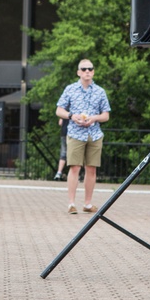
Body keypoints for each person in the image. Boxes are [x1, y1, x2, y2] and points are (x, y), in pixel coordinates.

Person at [56, 59, 110, 215]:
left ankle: (87, 203)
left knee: (91, 169)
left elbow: (106, 115)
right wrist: (72, 116)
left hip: (94, 134)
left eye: (90, 69)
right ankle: (71, 203)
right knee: (74, 168)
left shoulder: (100, 91)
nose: (87, 71)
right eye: (84, 69)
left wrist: (94, 118)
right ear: (78, 72)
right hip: (75, 133)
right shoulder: (70, 89)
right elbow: (59, 110)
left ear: (93, 72)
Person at [53, 116, 68, 181]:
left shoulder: (64, 111)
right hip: (74, 134)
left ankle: (59, 173)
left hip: (64, 132)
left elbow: (60, 123)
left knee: (63, 153)